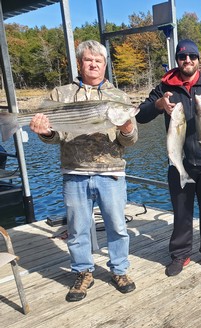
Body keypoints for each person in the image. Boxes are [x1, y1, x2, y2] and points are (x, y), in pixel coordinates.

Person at [30, 40, 138, 302]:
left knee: (117, 226)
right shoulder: (61, 94)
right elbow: (53, 135)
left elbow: (131, 140)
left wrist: (126, 129)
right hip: (74, 171)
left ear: (105, 64)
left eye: (98, 60)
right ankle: (82, 272)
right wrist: (44, 132)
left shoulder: (119, 98)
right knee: (78, 228)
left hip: (111, 171)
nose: (93, 64)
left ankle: (120, 270)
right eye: (88, 60)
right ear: (80, 63)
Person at [136, 39, 201, 277]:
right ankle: (180, 254)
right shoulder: (164, 87)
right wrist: (159, 105)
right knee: (181, 212)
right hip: (179, 160)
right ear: (177, 61)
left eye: (192, 56)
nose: (188, 61)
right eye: (183, 57)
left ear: (198, 59)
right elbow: (141, 116)